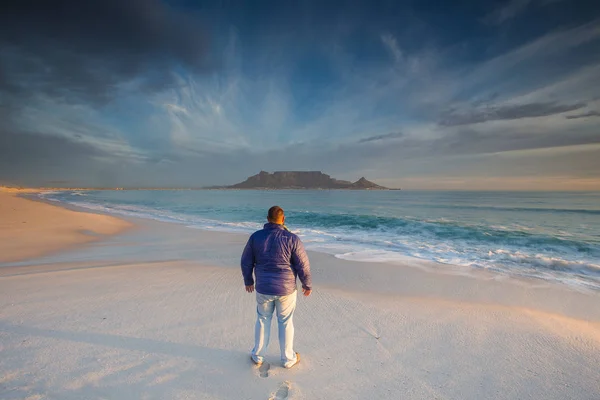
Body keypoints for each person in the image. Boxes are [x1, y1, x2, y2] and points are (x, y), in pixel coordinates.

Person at [241, 205, 312, 369]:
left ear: (267, 219)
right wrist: (306, 284)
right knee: (285, 322)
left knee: (262, 319)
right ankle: (288, 359)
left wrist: (248, 281)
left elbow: (246, 261)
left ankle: (258, 356)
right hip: (286, 289)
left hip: (263, 287)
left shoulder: (256, 237)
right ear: (283, 219)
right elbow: (303, 265)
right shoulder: (292, 238)